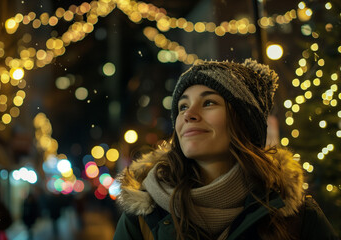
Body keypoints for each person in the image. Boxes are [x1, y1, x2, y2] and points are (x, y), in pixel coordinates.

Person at [113, 59, 339, 240]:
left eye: (209, 102)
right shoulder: (142, 217)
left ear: (244, 121)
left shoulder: (296, 216)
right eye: (183, 106)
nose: (188, 114)